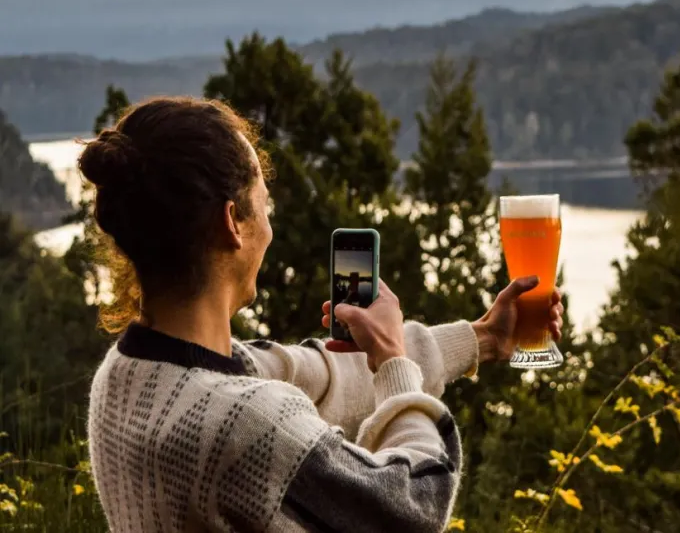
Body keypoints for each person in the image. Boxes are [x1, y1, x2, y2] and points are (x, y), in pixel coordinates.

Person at [80, 96, 563, 533]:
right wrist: (395, 364)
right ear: (232, 223)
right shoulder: (246, 421)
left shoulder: (126, 375)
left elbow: (327, 374)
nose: (270, 226)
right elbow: (414, 505)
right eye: (264, 203)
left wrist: (482, 339)